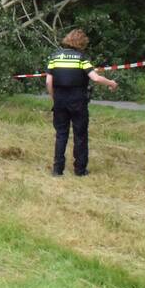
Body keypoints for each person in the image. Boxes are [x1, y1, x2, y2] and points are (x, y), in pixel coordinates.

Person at [45, 29, 118, 177]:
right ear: (81, 43)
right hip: (78, 100)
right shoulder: (81, 58)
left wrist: (54, 97)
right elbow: (95, 78)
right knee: (80, 135)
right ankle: (80, 169)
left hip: (60, 100)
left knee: (61, 134)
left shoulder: (54, 57)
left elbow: (48, 81)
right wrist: (111, 83)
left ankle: (58, 169)